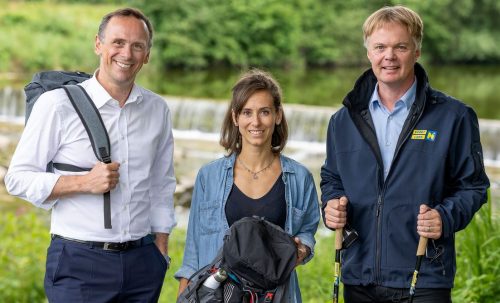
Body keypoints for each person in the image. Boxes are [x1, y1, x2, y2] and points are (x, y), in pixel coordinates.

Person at [320, 5, 489, 303]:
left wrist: (445, 217)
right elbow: (332, 178)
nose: (390, 56)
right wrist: (330, 206)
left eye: (400, 46)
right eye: (380, 47)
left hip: (424, 275)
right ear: (368, 52)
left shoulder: (454, 116)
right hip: (359, 276)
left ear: (417, 51)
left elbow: (473, 186)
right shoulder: (342, 121)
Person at [5, 8, 176, 302]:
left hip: (143, 263)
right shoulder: (56, 105)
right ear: (98, 44)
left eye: (138, 46)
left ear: (147, 55)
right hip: (79, 262)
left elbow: (161, 183)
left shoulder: (157, 109)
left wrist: (161, 245)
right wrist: (84, 182)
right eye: (118, 42)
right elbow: (17, 179)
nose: (127, 53)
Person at [175, 69, 320, 302]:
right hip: (218, 295)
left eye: (264, 112)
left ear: (278, 115)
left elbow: (307, 231)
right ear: (235, 117)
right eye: (247, 112)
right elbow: (193, 252)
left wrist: (302, 249)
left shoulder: (299, 178)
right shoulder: (209, 176)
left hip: (277, 295)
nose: (256, 122)